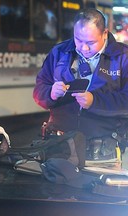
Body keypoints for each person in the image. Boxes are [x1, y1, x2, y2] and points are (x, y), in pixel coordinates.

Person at [33, 8, 128, 160]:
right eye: (78, 39)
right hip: (59, 147)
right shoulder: (59, 52)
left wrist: (94, 101)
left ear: (104, 33)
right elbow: (39, 90)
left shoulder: (123, 57)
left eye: (90, 42)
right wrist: (50, 93)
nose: (83, 48)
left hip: (102, 152)